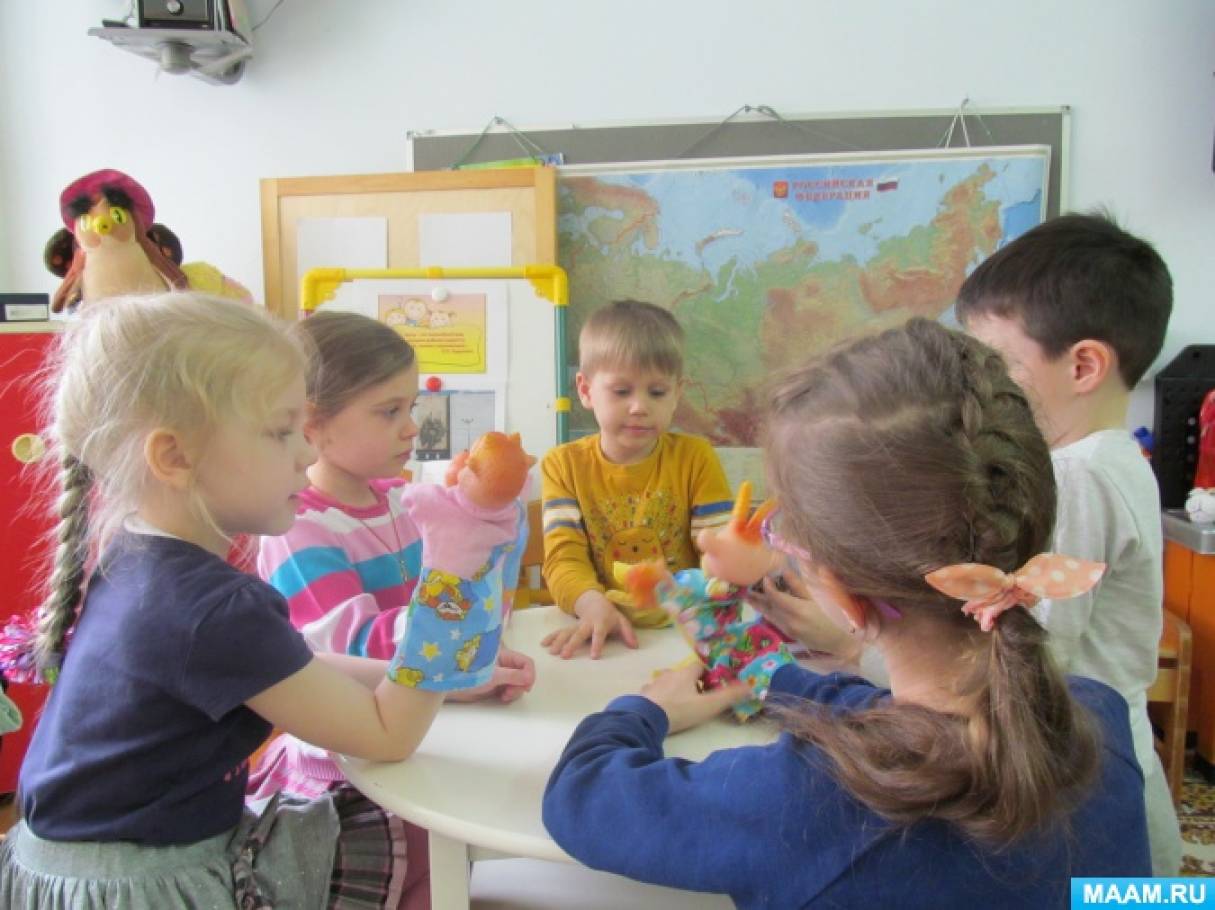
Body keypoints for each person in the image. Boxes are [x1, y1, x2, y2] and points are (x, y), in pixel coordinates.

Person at [542, 319, 1150, 908]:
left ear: (843, 593)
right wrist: (779, 679)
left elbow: (579, 792)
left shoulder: (794, 801)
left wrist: (645, 709)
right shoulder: (1100, 717)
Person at [0, 293, 501, 908]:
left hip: (72, 864)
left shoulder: (143, 559)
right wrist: (452, 573)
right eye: (281, 431)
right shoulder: (210, 606)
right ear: (175, 456)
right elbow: (388, 735)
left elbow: (286, 671)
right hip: (138, 888)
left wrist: (441, 680)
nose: (307, 452)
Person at [250, 310, 536, 908]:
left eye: (411, 407)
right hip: (347, 767)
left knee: (447, 873)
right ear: (313, 423)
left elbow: (471, 603)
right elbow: (347, 645)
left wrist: (488, 526)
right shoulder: (295, 526)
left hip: (417, 724)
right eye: (389, 411)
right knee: (403, 887)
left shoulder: (403, 500)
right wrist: (454, 649)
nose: (412, 428)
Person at [956, 211, 1181, 876]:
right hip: (1108, 743)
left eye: (998, 365)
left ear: (1082, 364)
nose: (982, 385)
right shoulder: (1113, 459)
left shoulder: (1078, 477)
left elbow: (1041, 645)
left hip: (1091, 759)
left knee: (1121, 889)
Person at [541, 300, 734, 658]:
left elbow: (720, 554)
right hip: (606, 631)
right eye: (621, 391)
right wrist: (592, 605)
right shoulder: (562, 465)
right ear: (585, 390)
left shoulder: (695, 457)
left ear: (677, 393)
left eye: (656, 392)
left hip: (687, 631)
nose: (639, 406)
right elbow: (563, 560)